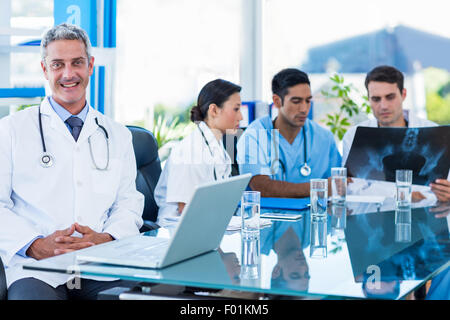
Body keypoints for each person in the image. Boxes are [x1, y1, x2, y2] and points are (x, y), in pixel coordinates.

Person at [0, 23, 144, 300]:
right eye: (57, 64)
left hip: (101, 264)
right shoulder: (10, 130)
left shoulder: (118, 134)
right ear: (44, 69)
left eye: (77, 63)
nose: (68, 74)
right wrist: (33, 244)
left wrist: (108, 238)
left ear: (90, 66)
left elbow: (128, 201)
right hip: (36, 267)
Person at [342, 65, 450, 203]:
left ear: (403, 94)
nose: (383, 106)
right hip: (373, 218)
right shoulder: (353, 136)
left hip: (426, 216)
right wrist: (405, 196)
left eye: (390, 97)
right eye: (376, 99)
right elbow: (351, 189)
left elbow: (445, 186)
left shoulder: (436, 133)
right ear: (368, 99)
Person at [236, 68, 341, 197]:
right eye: (296, 101)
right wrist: (319, 187)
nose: (304, 109)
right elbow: (261, 187)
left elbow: (338, 183)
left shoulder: (324, 138)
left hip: (314, 215)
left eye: (308, 101)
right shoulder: (254, 135)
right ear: (277, 101)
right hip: (267, 215)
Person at [154, 79, 242, 226]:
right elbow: (185, 210)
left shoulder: (217, 146)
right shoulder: (189, 151)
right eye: (236, 109)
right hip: (178, 232)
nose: (241, 117)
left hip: (207, 226)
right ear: (214, 110)